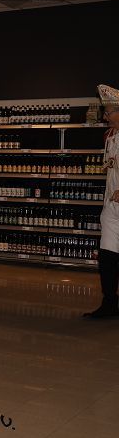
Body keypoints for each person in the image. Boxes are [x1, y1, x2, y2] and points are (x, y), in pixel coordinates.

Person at [84, 84, 119, 318]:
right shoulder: (110, 137)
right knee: (107, 255)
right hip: (111, 205)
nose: (105, 117)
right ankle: (109, 302)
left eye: (108, 112)